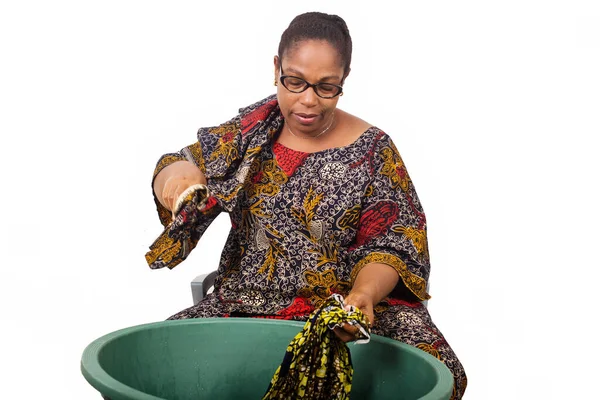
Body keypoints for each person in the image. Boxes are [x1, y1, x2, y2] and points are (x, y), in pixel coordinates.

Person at [147, 11, 467, 398]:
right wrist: (180, 179)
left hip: (348, 310)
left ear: (344, 81)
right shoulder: (248, 135)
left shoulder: (373, 152)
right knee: (157, 362)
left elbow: (392, 245)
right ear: (276, 68)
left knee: (442, 376)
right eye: (295, 82)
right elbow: (177, 163)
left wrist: (363, 296)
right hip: (249, 302)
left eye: (326, 87)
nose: (308, 100)